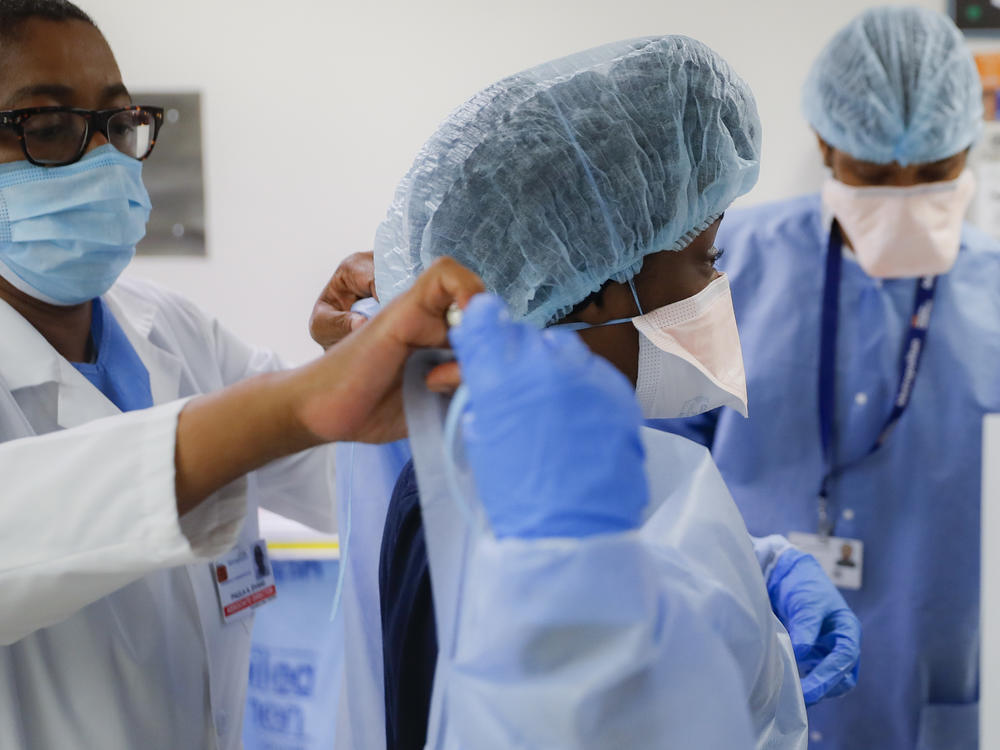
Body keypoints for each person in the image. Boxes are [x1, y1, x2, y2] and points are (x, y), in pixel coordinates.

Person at [314, 35, 863, 750]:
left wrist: (753, 567)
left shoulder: (463, 450)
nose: (718, 290)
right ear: (600, 284)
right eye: (705, 259)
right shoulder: (534, 536)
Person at [0, 2, 488, 748]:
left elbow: (341, 478)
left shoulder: (169, 327)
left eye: (118, 123)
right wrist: (294, 403)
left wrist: (379, 367)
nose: (104, 159)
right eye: (48, 125)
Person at [656, 7, 1000, 749]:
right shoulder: (724, 267)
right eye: (874, 176)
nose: (905, 196)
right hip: (751, 647)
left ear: (970, 147)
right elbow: (655, 463)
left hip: (936, 679)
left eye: (936, 173)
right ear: (824, 143)